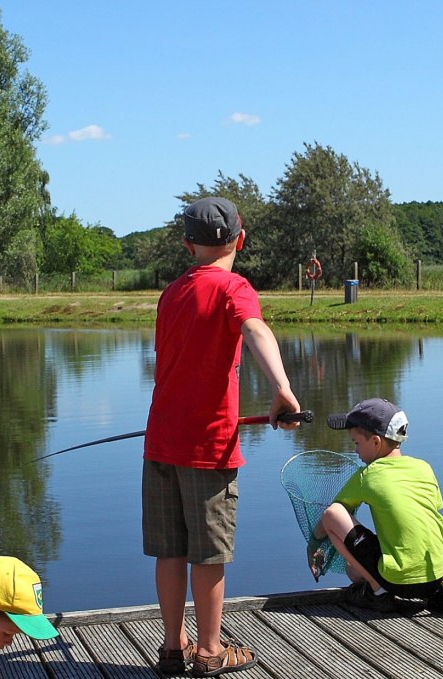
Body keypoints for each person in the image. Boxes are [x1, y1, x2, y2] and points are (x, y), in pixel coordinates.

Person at [144, 196, 302, 676]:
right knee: (208, 554)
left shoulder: (171, 293)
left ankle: (172, 648)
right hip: (208, 447)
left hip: (160, 442)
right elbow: (255, 330)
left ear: (188, 243)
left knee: (170, 550)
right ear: (241, 237)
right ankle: (210, 652)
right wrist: (282, 388)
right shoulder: (235, 287)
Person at [312, 398, 443, 617]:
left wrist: (314, 544)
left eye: (356, 443)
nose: (355, 451)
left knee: (340, 536)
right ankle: (436, 588)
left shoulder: (368, 475)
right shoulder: (424, 468)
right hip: (434, 571)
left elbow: (332, 517)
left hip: (398, 580)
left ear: (376, 442)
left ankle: (379, 592)